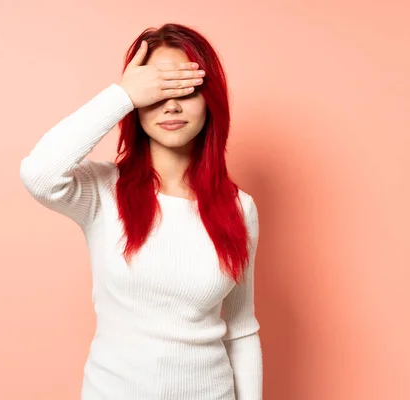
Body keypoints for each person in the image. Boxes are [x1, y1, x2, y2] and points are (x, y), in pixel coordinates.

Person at [20, 23, 262, 400]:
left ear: (210, 100)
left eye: (187, 88)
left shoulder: (239, 208)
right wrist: (122, 95)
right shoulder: (102, 191)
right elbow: (39, 173)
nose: (171, 104)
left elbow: (242, 328)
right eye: (157, 88)